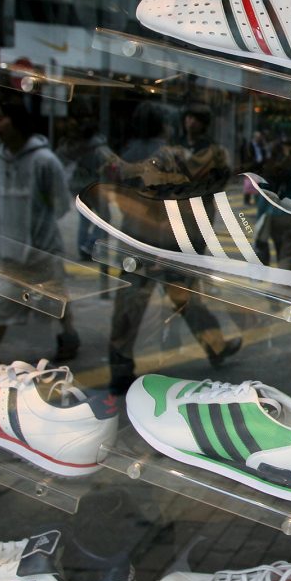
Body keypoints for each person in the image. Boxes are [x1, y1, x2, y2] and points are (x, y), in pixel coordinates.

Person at [107, 101, 241, 396]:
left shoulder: (125, 156)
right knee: (187, 300)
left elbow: (116, 196)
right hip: (169, 243)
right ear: (165, 126)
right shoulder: (174, 156)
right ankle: (216, 346)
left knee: (128, 307)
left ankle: (119, 368)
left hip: (133, 239)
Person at [0, 98, 80, 364]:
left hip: (42, 249)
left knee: (53, 299)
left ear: (18, 120)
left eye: (2, 117)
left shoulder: (45, 161)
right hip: (6, 250)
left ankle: (68, 336)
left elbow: (60, 204)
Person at [56, 96, 117, 260]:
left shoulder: (72, 141)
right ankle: (89, 245)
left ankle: (83, 247)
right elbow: (110, 164)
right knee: (105, 218)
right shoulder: (98, 146)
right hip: (93, 186)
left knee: (85, 218)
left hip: (76, 184)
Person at [254, 133, 291, 273]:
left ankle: (281, 284)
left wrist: (259, 218)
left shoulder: (270, 169)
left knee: (281, 251)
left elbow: (263, 197)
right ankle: (282, 288)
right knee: (287, 255)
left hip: (274, 217)